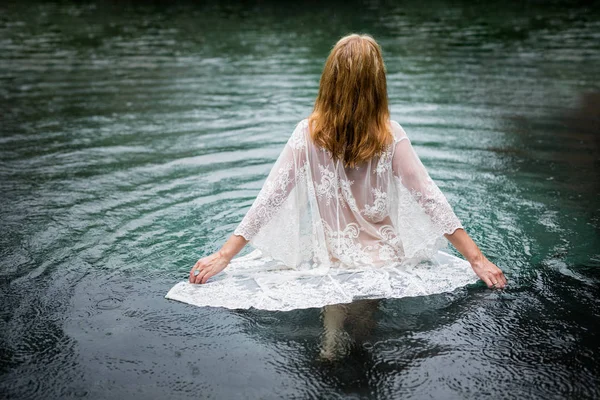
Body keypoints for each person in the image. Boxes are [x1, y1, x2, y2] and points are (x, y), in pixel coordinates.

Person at [173, 34, 506, 313]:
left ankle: (332, 342)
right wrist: (477, 260)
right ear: (378, 85)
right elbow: (430, 199)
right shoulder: (390, 135)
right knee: (364, 316)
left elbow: (270, 198)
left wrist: (224, 255)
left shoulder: (307, 133)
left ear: (329, 81)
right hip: (382, 259)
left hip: (330, 255)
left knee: (335, 296)